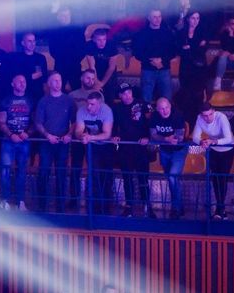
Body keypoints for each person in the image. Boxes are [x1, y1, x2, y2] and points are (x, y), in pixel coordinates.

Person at [112, 82, 155, 218]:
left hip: (141, 148)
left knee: (143, 179)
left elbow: (153, 122)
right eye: (124, 93)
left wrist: (148, 137)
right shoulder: (117, 108)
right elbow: (114, 126)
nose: (127, 95)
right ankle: (129, 207)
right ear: (120, 95)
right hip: (125, 148)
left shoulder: (143, 105)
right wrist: (115, 135)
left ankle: (147, 206)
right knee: (127, 178)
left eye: (129, 92)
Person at [35, 72, 76, 213]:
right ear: (49, 83)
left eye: (60, 80)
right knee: (43, 172)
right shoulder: (43, 101)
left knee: (61, 174)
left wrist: (69, 134)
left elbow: (74, 122)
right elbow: (38, 123)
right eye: (55, 80)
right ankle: (42, 206)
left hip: (62, 143)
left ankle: (60, 207)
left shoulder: (69, 100)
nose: (58, 83)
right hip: (46, 143)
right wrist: (48, 135)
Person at [0, 74, 34, 211]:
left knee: (22, 171)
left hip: (24, 141)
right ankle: (5, 200)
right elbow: (0, 122)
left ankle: (21, 201)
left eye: (24, 81)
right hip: (8, 141)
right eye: (19, 81)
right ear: (12, 84)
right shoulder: (5, 100)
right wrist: (11, 134)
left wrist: (27, 133)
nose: (22, 83)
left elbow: (35, 121)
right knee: (5, 170)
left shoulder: (31, 100)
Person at [192, 102, 234, 220]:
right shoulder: (199, 118)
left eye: (210, 114)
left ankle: (220, 209)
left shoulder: (221, 117)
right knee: (215, 180)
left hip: (227, 150)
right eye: (205, 116)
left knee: (222, 179)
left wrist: (213, 141)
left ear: (214, 111)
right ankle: (220, 209)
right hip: (213, 150)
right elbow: (195, 137)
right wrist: (202, 142)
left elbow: (228, 138)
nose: (208, 118)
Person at [75, 91, 113, 215]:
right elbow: (78, 130)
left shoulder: (106, 111)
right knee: (93, 174)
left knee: (106, 175)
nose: (88, 107)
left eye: (92, 104)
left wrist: (90, 137)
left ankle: (106, 205)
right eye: (88, 103)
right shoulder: (81, 111)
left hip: (106, 146)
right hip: (92, 146)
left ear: (99, 104)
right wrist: (82, 136)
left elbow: (107, 134)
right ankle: (95, 205)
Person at [149, 97, 186, 219]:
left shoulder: (177, 115)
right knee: (171, 180)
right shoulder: (154, 116)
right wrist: (166, 139)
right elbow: (153, 134)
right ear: (157, 109)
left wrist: (169, 139)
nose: (164, 111)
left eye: (166, 108)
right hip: (164, 150)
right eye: (161, 109)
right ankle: (179, 206)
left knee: (172, 177)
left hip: (178, 151)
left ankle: (175, 208)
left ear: (170, 106)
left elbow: (179, 137)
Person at [68, 69, 101, 205]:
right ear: (81, 78)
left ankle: (93, 200)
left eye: (93, 79)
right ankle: (73, 199)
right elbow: (70, 117)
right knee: (75, 168)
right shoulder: (72, 95)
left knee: (94, 169)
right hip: (77, 138)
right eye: (88, 78)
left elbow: (101, 116)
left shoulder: (99, 95)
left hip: (93, 138)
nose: (90, 81)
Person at [132, 8, 177, 103]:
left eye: (159, 16)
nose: (158, 19)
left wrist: (161, 60)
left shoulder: (168, 33)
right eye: (155, 17)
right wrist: (151, 60)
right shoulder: (141, 34)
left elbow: (173, 51)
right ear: (149, 18)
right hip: (147, 69)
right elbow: (137, 52)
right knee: (146, 99)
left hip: (164, 69)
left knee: (167, 98)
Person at [175, 11, 208, 128]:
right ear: (188, 19)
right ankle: (187, 125)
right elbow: (178, 50)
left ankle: (197, 126)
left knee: (198, 97)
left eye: (197, 18)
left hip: (199, 70)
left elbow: (203, 49)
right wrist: (194, 47)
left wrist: (189, 48)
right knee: (185, 95)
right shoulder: (181, 33)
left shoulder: (202, 32)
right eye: (193, 18)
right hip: (185, 69)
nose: (195, 21)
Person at [45, 6, 86, 92]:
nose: (65, 18)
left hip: (75, 66)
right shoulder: (54, 31)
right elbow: (52, 50)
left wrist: (74, 60)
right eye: (63, 16)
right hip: (60, 65)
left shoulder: (78, 30)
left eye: (67, 15)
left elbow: (82, 49)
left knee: (77, 92)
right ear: (58, 17)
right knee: (58, 91)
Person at [9, 32, 48, 103]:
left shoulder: (41, 58)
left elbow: (44, 77)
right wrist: (31, 76)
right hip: (22, 94)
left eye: (33, 41)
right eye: (29, 41)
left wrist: (27, 76)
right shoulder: (16, 58)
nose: (32, 44)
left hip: (38, 94)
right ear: (23, 43)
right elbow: (15, 76)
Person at [84, 28, 119, 103]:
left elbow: (111, 67)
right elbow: (92, 66)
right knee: (96, 94)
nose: (102, 43)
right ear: (94, 40)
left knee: (110, 96)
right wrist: (96, 82)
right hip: (96, 72)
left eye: (104, 39)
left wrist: (102, 83)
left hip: (109, 73)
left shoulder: (112, 46)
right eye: (99, 40)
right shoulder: (89, 45)